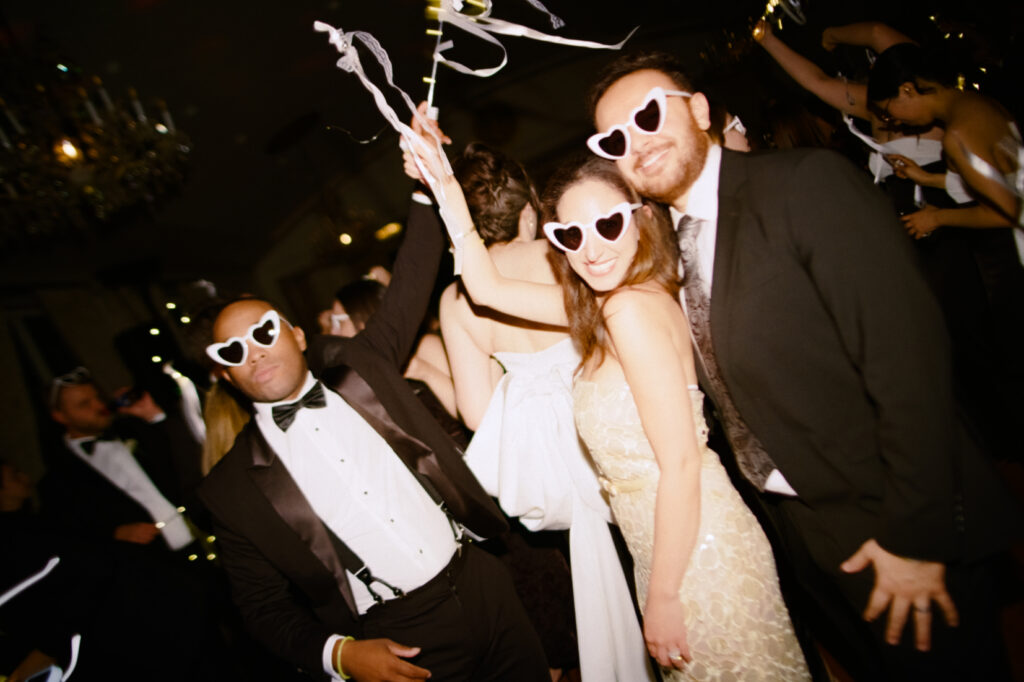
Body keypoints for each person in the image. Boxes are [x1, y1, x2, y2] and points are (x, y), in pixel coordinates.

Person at [585, 50, 1021, 680]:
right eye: (617, 136)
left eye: (650, 113)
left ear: (701, 111)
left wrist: (917, 538)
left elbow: (909, 363)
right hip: (806, 532)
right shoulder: (671, 253)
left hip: (895, 513)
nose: (638, 141)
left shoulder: (801, 184)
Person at [405, 133, 810, 679]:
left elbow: (683, 463)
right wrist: (442, 182)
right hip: (660, 544)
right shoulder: (609, 305)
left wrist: (664, 595)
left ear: (640, 218)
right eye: (571, 233)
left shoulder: (627, 313)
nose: (591, 248)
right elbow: (487, 288)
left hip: (698, 551)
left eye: (608, 224)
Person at [196, 186, 547, 682]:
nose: (252, 352)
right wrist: (340, 655)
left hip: (483, 582)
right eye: (231, 352)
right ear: (226, 376)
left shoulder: (363, 368)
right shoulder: (231, 490)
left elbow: (410, 280)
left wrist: (426, 187)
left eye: (264, 332)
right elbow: (261, 608)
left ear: (296, 334)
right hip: (398, 639)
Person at [437, 141, 650, 681]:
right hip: (622, 429)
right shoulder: (568, 254)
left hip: (556, 478)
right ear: (531, 210)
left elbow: (477, 414)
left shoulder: (458, 300)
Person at [40, 368, 203, 554]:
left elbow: (189, 458)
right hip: (156, 563)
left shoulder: (133, 428)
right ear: (60, 416)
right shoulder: (61, 477)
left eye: (97, 397)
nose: (98, 405)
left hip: (204, 535)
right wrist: (114, 533)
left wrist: (153, 415)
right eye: (84, 404)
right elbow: (70, 534)